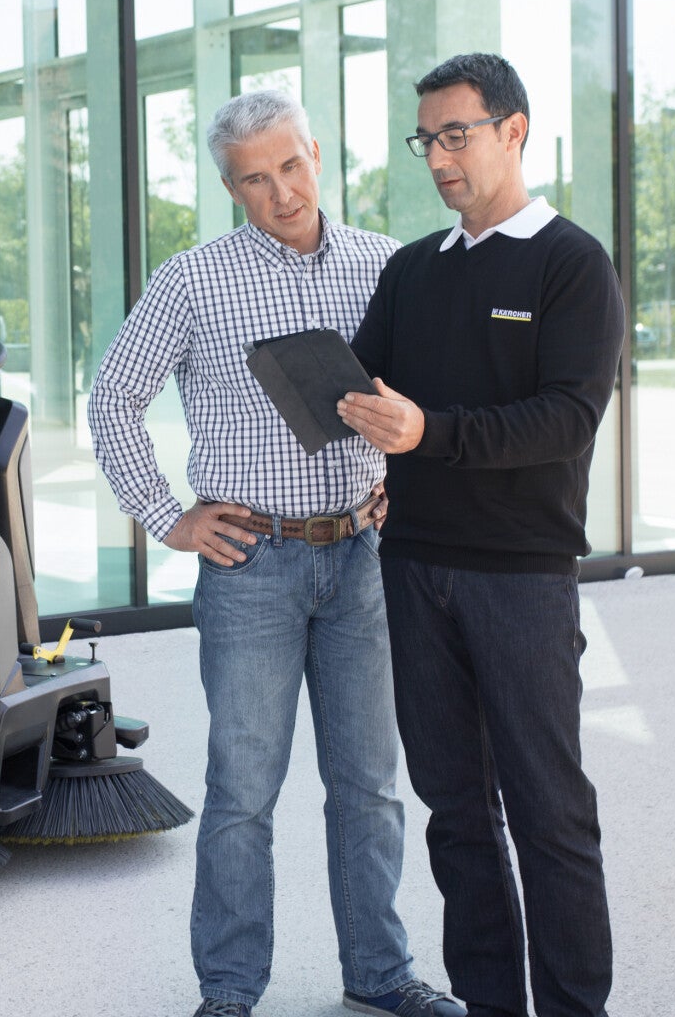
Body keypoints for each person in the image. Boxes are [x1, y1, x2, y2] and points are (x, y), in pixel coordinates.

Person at [89, 89, 464, 1017]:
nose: (282, 192)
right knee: (243, 790)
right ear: (231, 189)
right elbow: (113, 398)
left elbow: (423, 403)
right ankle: (228, 989)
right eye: (255, 180)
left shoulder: (386, 265)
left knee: (370, 786)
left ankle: (380, 973)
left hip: (363, 559)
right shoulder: (193, 280)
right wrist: (168, 516)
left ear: (317, 155)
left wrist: (403, 480)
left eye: (291, 166)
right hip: (250, 566)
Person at [339, 53, 622, 1017]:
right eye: (426, 139)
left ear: (514, 131)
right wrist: (342, 404)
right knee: (455, 811)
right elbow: (366, 386)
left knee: (550, 814)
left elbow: (566, 421)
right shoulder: (412, 270)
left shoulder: (571, 263)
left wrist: (428, 433)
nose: (439, 158)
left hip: (521, 578)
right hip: (415, 567)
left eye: (456, 135)